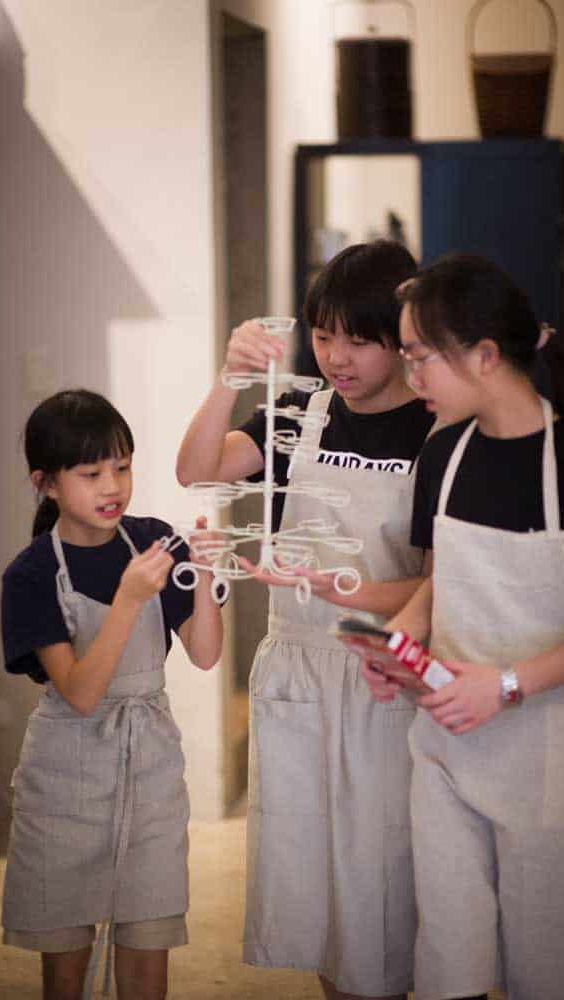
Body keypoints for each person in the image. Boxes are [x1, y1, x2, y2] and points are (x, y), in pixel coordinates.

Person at [177, 241, 436, 1000]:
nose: (335, 358)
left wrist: (347, 589)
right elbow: (196, 469)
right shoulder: (299, 414)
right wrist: (229, 380)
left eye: (358, 339)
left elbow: (440, 586)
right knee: (318, 890)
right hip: (297, 672)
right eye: (323, 336)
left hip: (385, 676)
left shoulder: (434, 430)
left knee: (385, 888)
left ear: (402, 338)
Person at [361, 253, 564, 1000]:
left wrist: (506, 685)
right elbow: (443, 581)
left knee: (547, 970)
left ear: (485, 355)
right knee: (448, 960)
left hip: (552, 763)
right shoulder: (443, 452)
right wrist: (397, 641)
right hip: (446, 751)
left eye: (419, 357)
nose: (411, 376)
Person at [1, 389, 223, 1000]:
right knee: (65, 968)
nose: (112, 486)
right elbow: (79, 693)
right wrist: (128, 598)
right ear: (46, 483)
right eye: (91, 473)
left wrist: (206, 574)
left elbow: (205, 653)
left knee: (149, 953)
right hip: (65, 777)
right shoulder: (30, 574)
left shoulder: (155, 542)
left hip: (150, 768)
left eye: (122, 467)